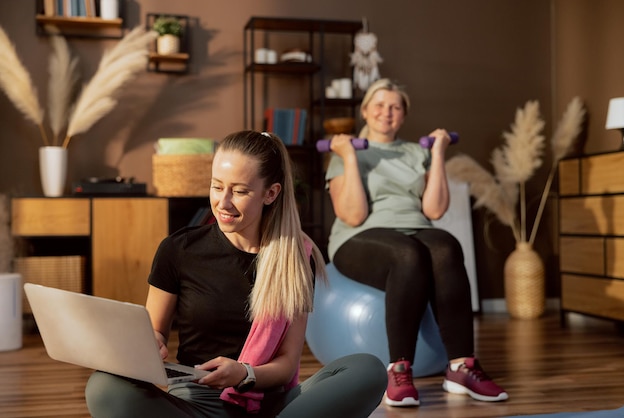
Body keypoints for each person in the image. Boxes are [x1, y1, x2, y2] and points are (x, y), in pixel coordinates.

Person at [85, 130, 387, 418]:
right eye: (217, 186)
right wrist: (150, 342)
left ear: (270, 193)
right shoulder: (179, 249)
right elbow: (154, 332)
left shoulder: (295, 259)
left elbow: (286, 364)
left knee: (367, 369)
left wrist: (245, 373)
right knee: (104, 386)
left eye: (240, 191)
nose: (223, 202)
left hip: (272, 404)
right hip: (197, 402)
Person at [325, 79, 508, 407]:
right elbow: (352, 215)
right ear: (365, 110)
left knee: (447, 245)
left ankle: (461, 368)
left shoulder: (415, 152)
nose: (387, 112)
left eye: (395, 107)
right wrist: (350, 156)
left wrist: (437, 154)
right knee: (408, 255)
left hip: (415, 227)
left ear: (404, 115)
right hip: (360, 236)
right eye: (379, 105)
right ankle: (398, 370)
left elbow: (434, 209)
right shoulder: (345, 150)